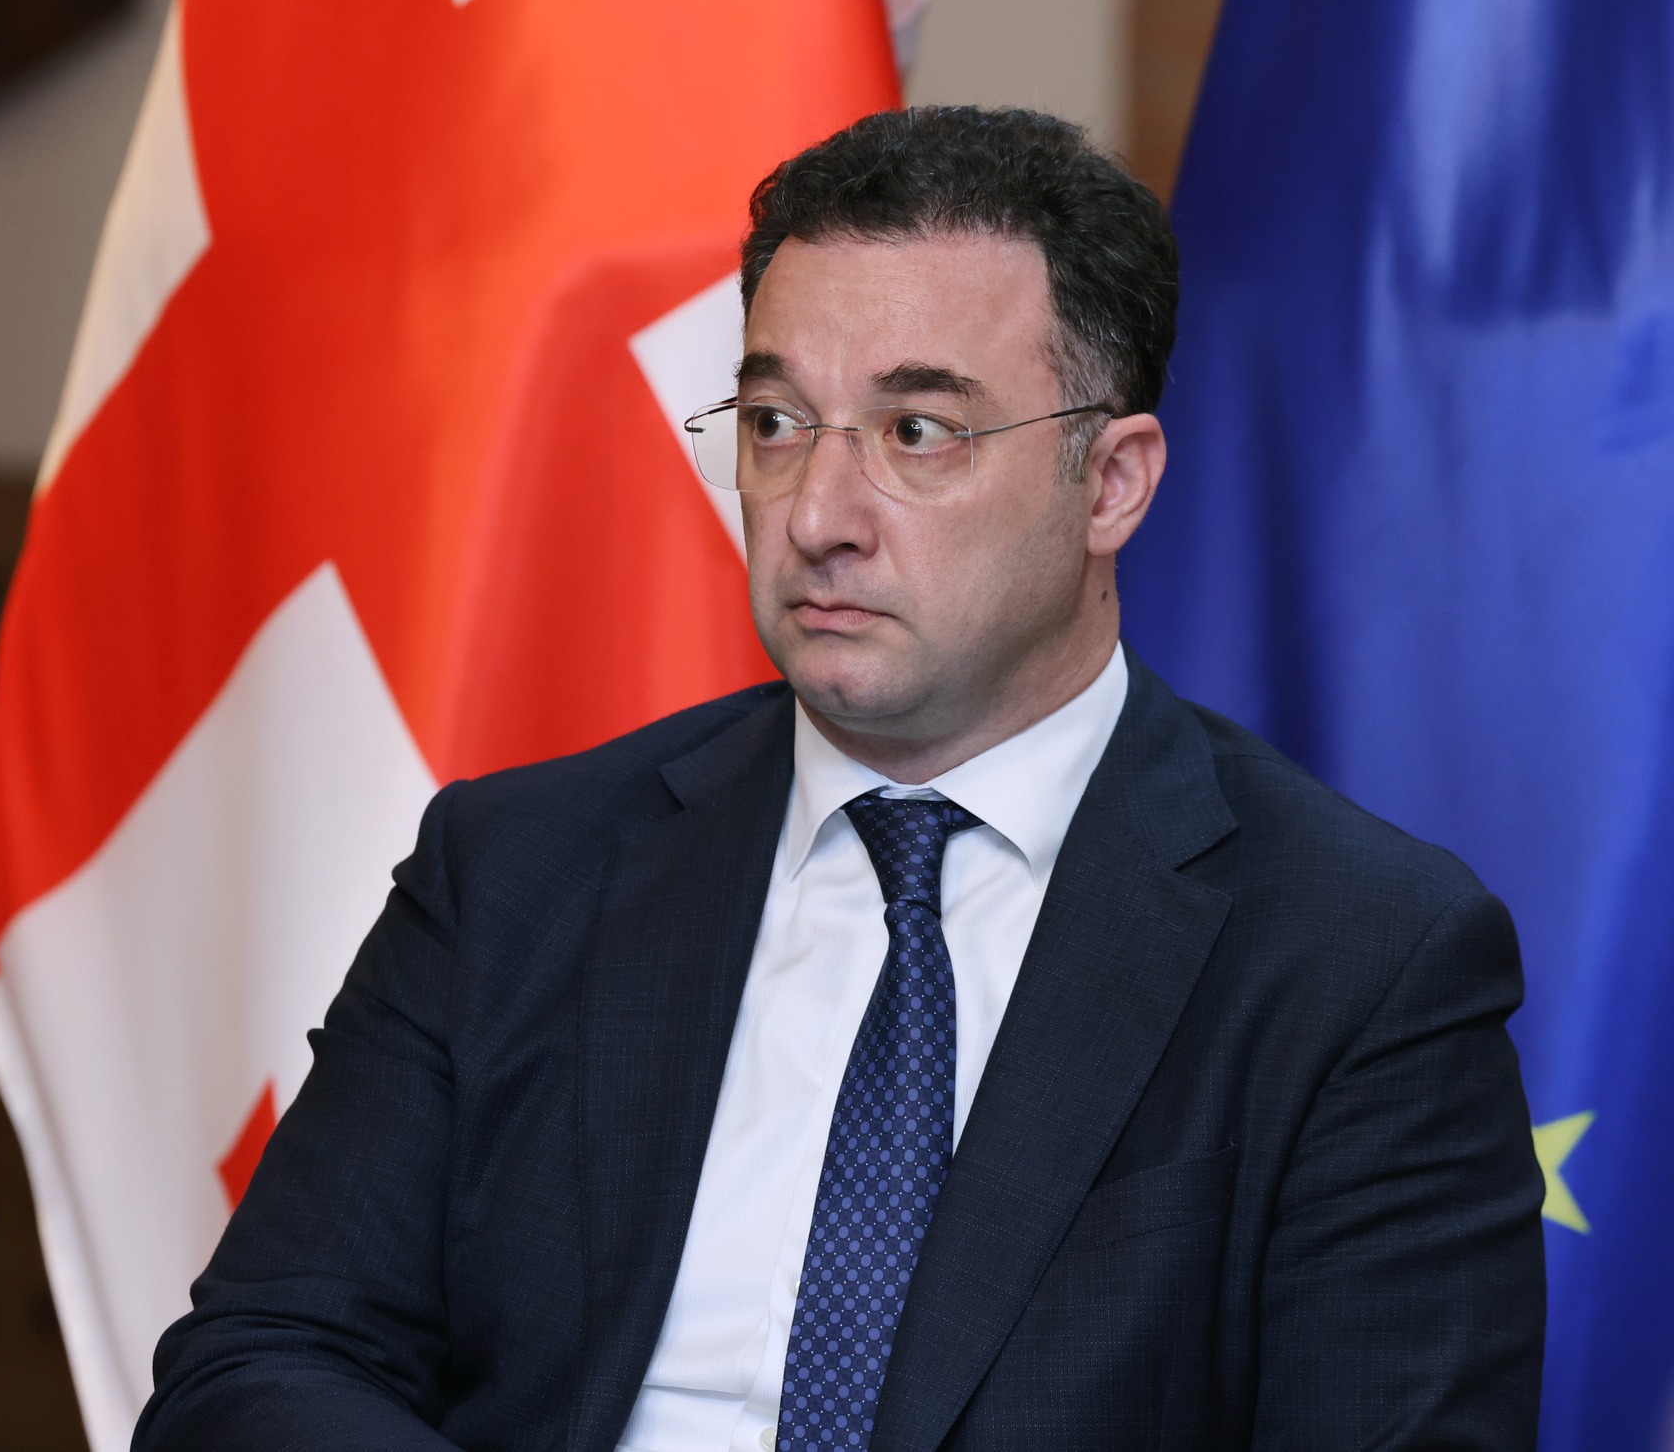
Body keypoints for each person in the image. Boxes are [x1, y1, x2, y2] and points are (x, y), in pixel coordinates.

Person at [133, 107, 1546, 1451]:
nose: (817, 514)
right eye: (775, 422)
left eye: (917, 433)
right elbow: (259, 1364)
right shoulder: (517, 871)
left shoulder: (1357, 960)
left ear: (1111, 482)